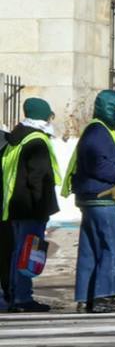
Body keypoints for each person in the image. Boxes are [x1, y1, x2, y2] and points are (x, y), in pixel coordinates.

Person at [62, 88, 115, 313]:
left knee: (90, 249)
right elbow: (98, 165)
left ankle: (86, 298)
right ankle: (103, 296)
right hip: (99, 198)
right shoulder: (98, 132)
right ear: (109, 108)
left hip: (90, 197)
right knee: (112, 247)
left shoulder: (99, 130)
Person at [1, 98, 59, 311]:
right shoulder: (37, 140)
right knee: (28, 254)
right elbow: (38, 179)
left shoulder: (17, 138)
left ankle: (16, 295)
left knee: (19, 252)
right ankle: (23, 298)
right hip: (31, 209)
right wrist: (43, 209)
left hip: (14, 207)